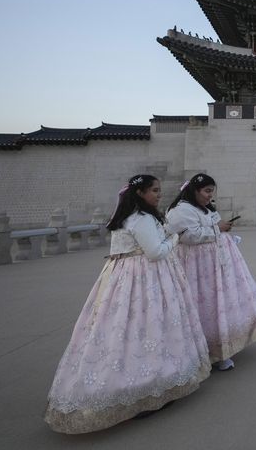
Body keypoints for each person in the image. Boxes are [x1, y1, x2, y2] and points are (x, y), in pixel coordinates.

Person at [44, 175, 211, 434]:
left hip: (125, 278)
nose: (158, 194)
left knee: (126, 330)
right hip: (145, 280)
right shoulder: (141, 219)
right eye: (154, 190)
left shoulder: (128, 218)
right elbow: (155, 252)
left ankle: (151, 382)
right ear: (141, 193)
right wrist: (175, 239)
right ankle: (148, 388)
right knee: (149, 328)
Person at [166, 173, 256, 371]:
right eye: (207, 191)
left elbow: (212, 227)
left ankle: (223, 350)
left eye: (211, 191)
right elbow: (186, 236)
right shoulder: (181, 210)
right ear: (195, 191)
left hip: (215, 265)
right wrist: (217, 228)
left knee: (220, 304)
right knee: (204, 306)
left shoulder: (204, 207)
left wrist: (222, 228)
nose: (209, 195)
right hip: (197, 269)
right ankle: (204, 351)